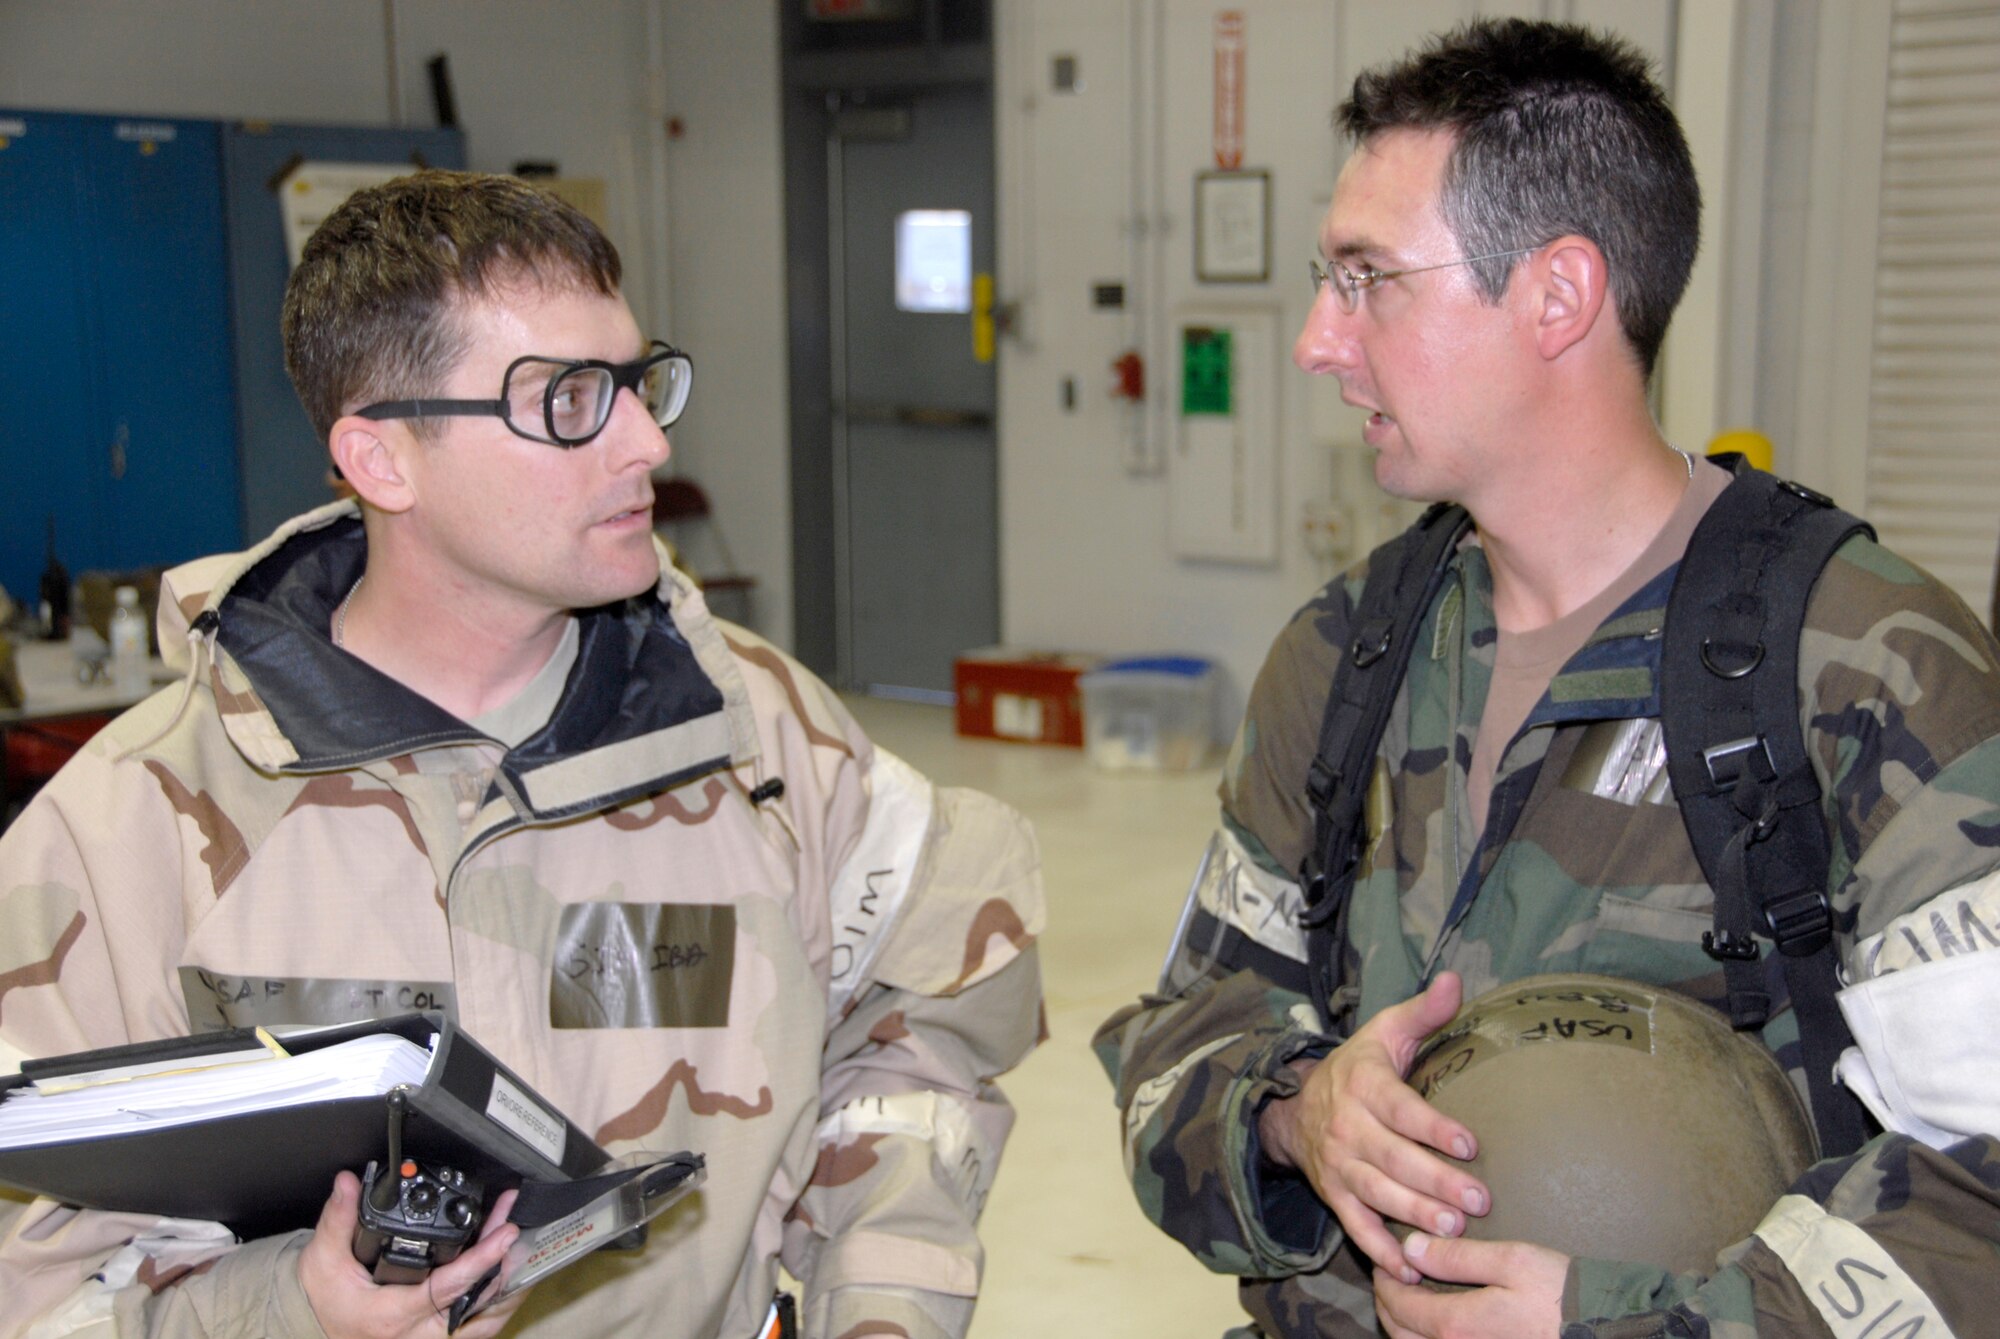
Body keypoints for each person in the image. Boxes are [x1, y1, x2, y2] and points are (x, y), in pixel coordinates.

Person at [0, 170, 1045, 1339]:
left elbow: (915, 1030)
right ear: (382, 460)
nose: (645, 440)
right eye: (567, 400)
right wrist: (291, 1311)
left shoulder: (755, 734)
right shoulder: (134, 826)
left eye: (639, 384)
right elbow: (35, 1280)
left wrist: (884, 1307)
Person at [1094, 19, 2000, 1339]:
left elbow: (1980, 1185)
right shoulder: (1346, 654)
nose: (1313, 342)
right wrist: (1295, 1111)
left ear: (1559, 296)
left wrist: (1637, 1320)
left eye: (1368, 279)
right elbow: (1173, 1040)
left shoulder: (1870, 671)